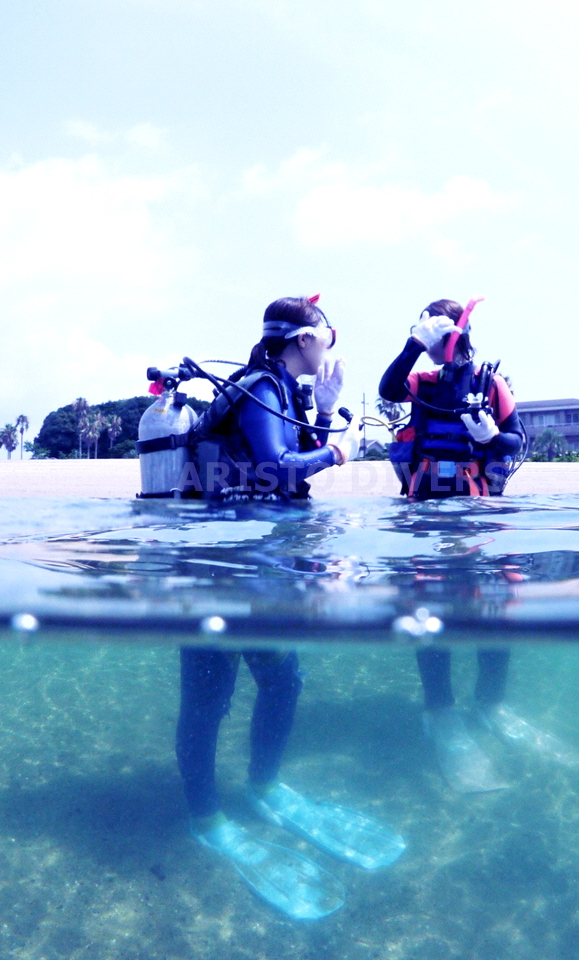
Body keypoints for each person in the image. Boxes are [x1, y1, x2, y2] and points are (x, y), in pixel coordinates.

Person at [177, 295, 404, 920]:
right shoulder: (264, 389)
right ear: (303, 339)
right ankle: (206, 816)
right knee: (209, 699)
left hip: (258, 563)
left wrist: (327, 412)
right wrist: (339, 452)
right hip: (220, 569)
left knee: (283, 679)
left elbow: (279, 456)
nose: (332, 344)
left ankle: (265, 785)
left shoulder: (278, 388)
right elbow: (278, 469)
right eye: (327, 333)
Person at [379, 299, 579, 793]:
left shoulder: (492, 385)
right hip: (426, 510)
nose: (440, 347)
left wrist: (491, 435)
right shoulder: (422, 382)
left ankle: (491, 705)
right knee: (432, 609)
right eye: (430, 333)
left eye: (443, 333)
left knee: (498, 606)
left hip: (478, 510)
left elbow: (516, 441)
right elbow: (387, 388)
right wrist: (414, 345)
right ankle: (441, 713)